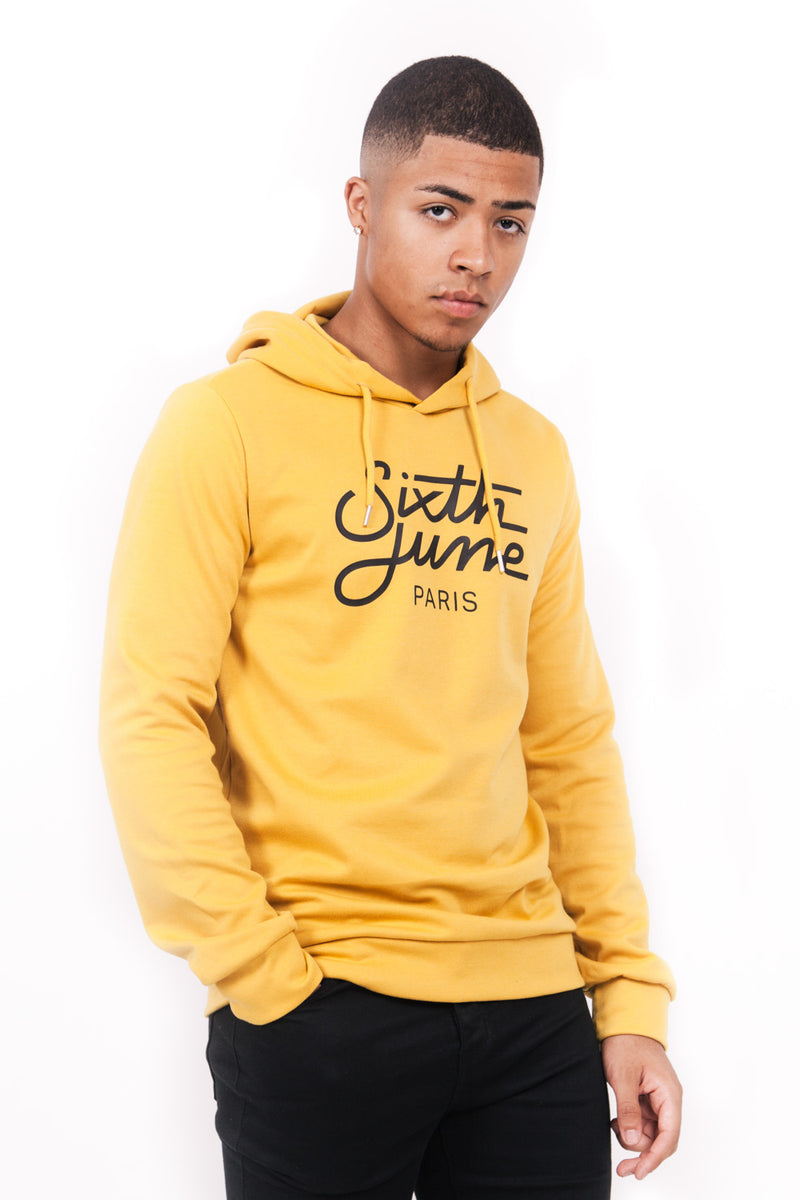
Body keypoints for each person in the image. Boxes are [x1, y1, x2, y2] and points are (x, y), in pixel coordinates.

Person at [99, 56, 681, 1199]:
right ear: (362, 206)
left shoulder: (530, 454)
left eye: (509, 222)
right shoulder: (225, 426)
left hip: (530, 1014)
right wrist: (258, 973)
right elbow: (150, 713)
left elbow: (567, 740)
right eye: (440, 210)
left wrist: (624, 997)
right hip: (320, 1001)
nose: (477, 256)